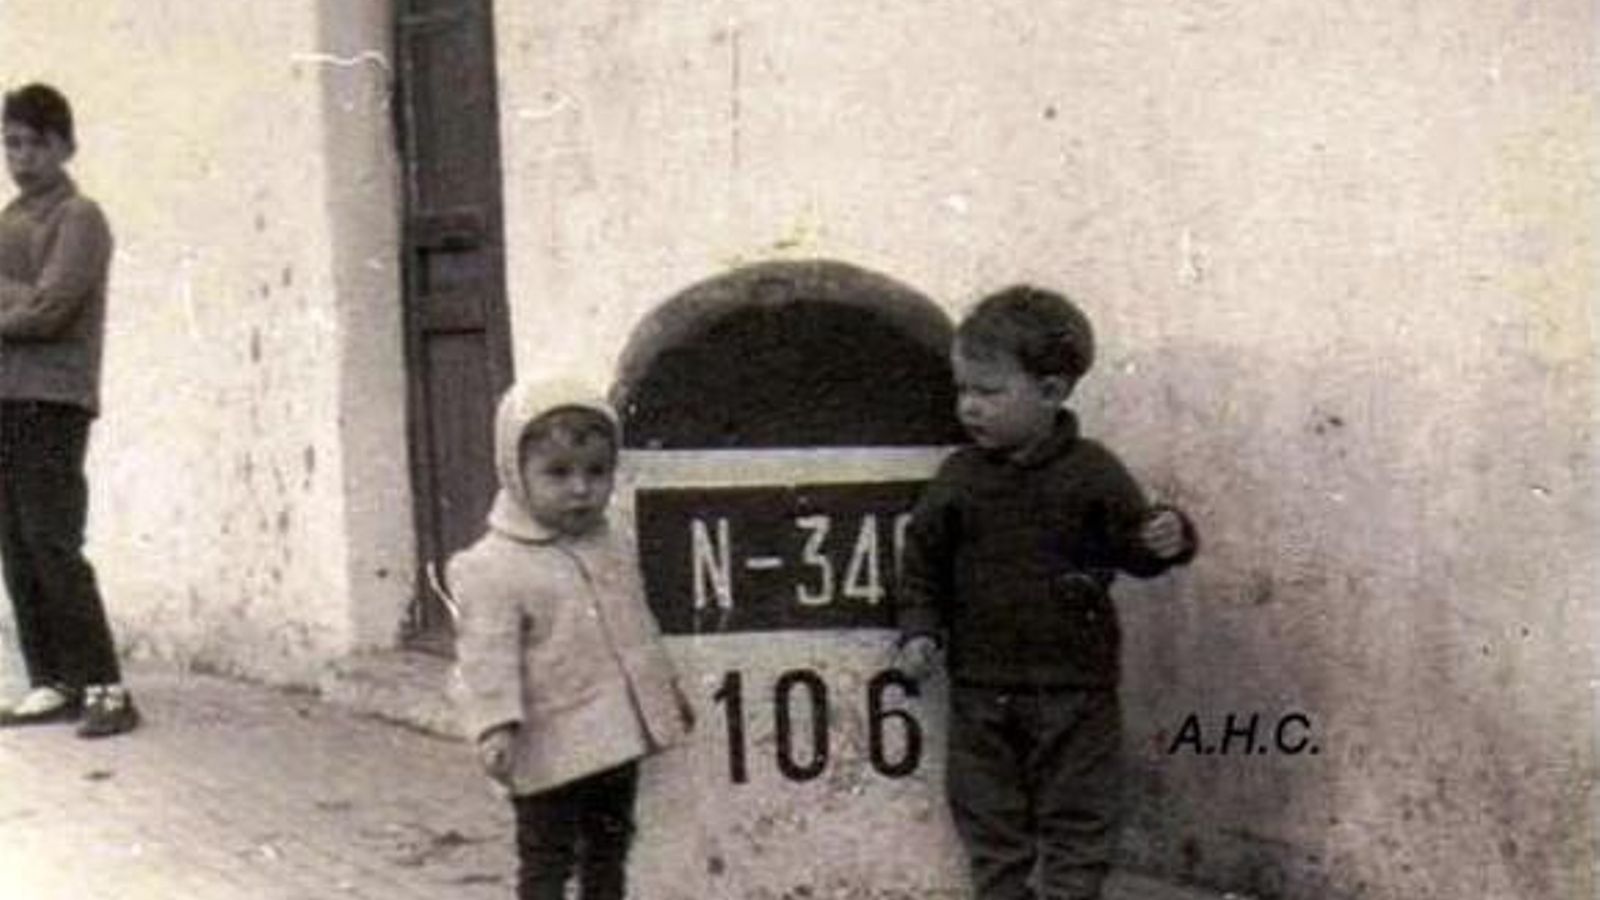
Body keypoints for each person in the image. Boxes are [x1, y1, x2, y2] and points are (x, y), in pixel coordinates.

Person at [896, 285, 1197, 900]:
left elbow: (1133, 550)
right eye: (963, 391)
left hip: (1076, 691)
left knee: (1079, 818)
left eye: (988, 392)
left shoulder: (1093, 473)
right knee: (989, 821)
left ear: (1052, 392)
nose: (969, 408)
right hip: (982, 691)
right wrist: (921, 629)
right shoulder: (959, 479)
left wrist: (1167, 538)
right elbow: (922, 562)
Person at [449, 378, 694, 900]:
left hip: (615, 740)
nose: (581, 489)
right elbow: (485, 657)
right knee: (547, 858)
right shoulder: (493, 565)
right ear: (515, 474)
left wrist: (664, 694)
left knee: (610, 848)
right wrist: (494, 725)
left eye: (596, 472)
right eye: (557, 474)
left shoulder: (610, 545)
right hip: (546, 746)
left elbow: (635, 630)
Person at [0, 83, 137, 738]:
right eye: (10, 143)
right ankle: (54, 679)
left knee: (54, 541)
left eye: (31, 143)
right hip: (5, 394)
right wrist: (22, 299)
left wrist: (19, 300)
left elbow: (53, 310)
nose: (19, 158)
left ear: (63, 145)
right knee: (16, 542)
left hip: (54, 398)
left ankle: (108, 686)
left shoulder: (81, 217)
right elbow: (30, 303)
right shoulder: (9, 220)